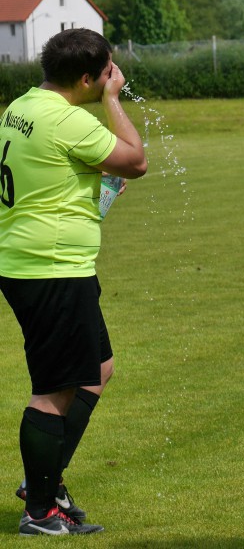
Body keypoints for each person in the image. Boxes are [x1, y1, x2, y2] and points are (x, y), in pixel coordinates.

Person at [0, 28, 147, 535]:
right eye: (107, 72)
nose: (113, 77)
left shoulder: (23, 104)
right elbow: (137, 159)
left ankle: (46, 480)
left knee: (98, 370)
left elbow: (49, 173)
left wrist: (92, 191)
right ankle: (39, 510)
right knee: (54, 391)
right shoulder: (67, 120)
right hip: (52, 266)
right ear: (87, 78)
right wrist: (114, 100)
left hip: (34, 260)